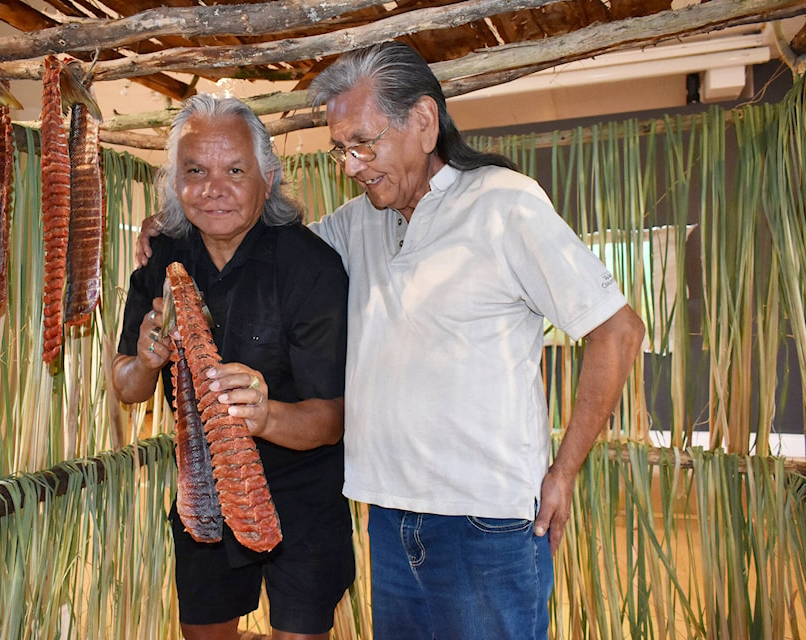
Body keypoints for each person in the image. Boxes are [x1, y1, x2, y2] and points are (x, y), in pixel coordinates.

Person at [136, 42, 645, 640]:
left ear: (424, 123)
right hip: (390, 516)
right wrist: (172, 226)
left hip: (484, 523)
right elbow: (252, 238)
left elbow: (618, 329)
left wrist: (564, 472)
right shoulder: (361, 222)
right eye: (340, 149)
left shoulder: (504, 204)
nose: (351, 164)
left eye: (364, 143)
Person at [112, 93, 354, 640]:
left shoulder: (309, 267)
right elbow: (125, 385)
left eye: (235, 170)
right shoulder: (162, 263)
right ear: (175, 181)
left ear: (267, 180)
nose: (212, 188)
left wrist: (266, 417)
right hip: (205, 494)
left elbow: (333, 416)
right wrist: (148, 362)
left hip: (302, 495)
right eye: (195, 170)